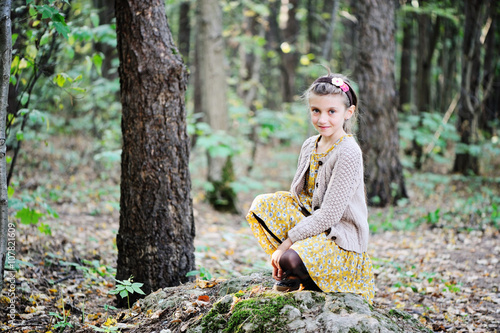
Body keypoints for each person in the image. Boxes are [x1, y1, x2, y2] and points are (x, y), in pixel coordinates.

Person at [246, 72, 375, 303]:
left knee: (289, 258)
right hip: (314, 224)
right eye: (316, 111)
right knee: (262, 204)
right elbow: (298, 198)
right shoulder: (309, 145)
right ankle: (293, 270)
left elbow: (330, 214)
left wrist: (286, 245)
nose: (322, 119)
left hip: (339, 238)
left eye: (331, 112)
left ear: (348, 112)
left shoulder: (348, 151)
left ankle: (300, 269)